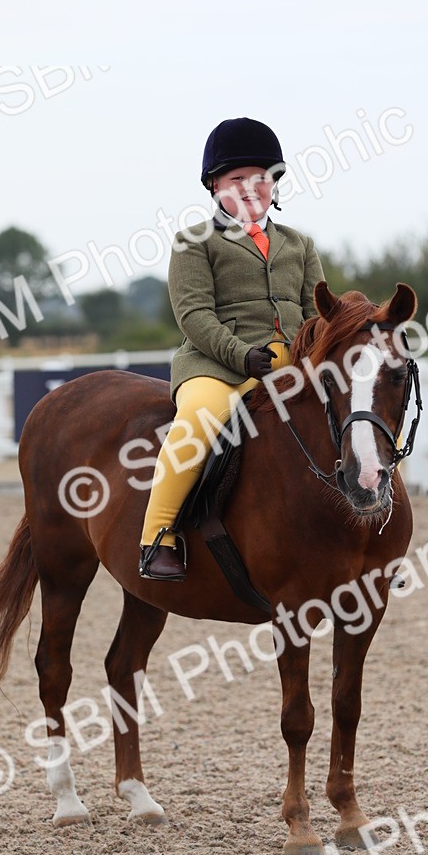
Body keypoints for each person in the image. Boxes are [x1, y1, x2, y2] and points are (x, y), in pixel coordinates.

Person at [138, 117, 325, 581]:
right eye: (236, 178)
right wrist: (242, 356)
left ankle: (373, 528)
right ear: (214, 185)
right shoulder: (193, 243)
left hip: (292, 361)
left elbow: (318, 309)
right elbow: (194, 315)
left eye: (260, 177)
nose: (250, 187)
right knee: (197, 424)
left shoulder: (299, 244)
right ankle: (158, 537)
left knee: (352, 414)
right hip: (217, 365)